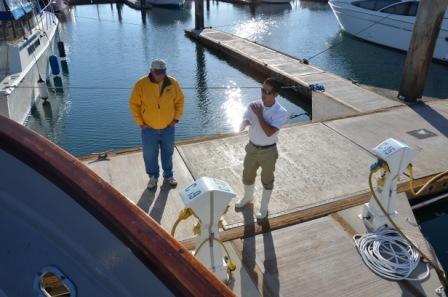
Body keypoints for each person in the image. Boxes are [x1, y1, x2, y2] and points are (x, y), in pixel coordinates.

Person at [235, 77, 288, 219]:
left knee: (267, 179)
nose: (262, 93)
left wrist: (259, 115)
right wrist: (244, 123)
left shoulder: (281, 112)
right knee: (247, 175)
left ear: (275, 94)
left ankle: (264, 207)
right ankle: (248, 197)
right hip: (252, 148)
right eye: (262, 89)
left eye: (267, 91)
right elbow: (247, 118)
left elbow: (269, 132)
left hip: (269, 151)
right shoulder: (253, 105)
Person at [129, 59, 184, 189]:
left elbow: (180, 101)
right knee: (149, 155)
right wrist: (140, 123)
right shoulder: (141, 84)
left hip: (168, 128)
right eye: (157, 72)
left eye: (163, 72)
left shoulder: (172, 83)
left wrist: (175, 119)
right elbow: (134, 105)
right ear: (151, 70)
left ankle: (168, 175)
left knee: (168, 152)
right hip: (149, 129)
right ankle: (153, 177)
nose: (160, 75)